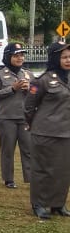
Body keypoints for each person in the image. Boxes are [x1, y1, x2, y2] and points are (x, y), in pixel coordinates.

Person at [24, 41, 70, 220]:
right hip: (45, 132)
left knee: (63, 170)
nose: (68, 60)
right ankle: (39, 203)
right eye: (64, 57)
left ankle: (58, 204)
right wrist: (35, 125)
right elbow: (29, 107)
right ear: (54, 58)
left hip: (66, 133)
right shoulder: (42, 80)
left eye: (69, 57)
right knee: (42, 169)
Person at [0, 42, 33, 189]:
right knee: (7, 150)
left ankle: (31, 178)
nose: (20, 58)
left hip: (25, 118)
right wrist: (12, 89)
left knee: (28, 149)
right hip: (6, 118)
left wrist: (30, 89)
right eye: (16, 55)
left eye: (22, 55)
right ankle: (9, 179)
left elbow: (37, 93)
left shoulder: (28, 74)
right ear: (8, 57)